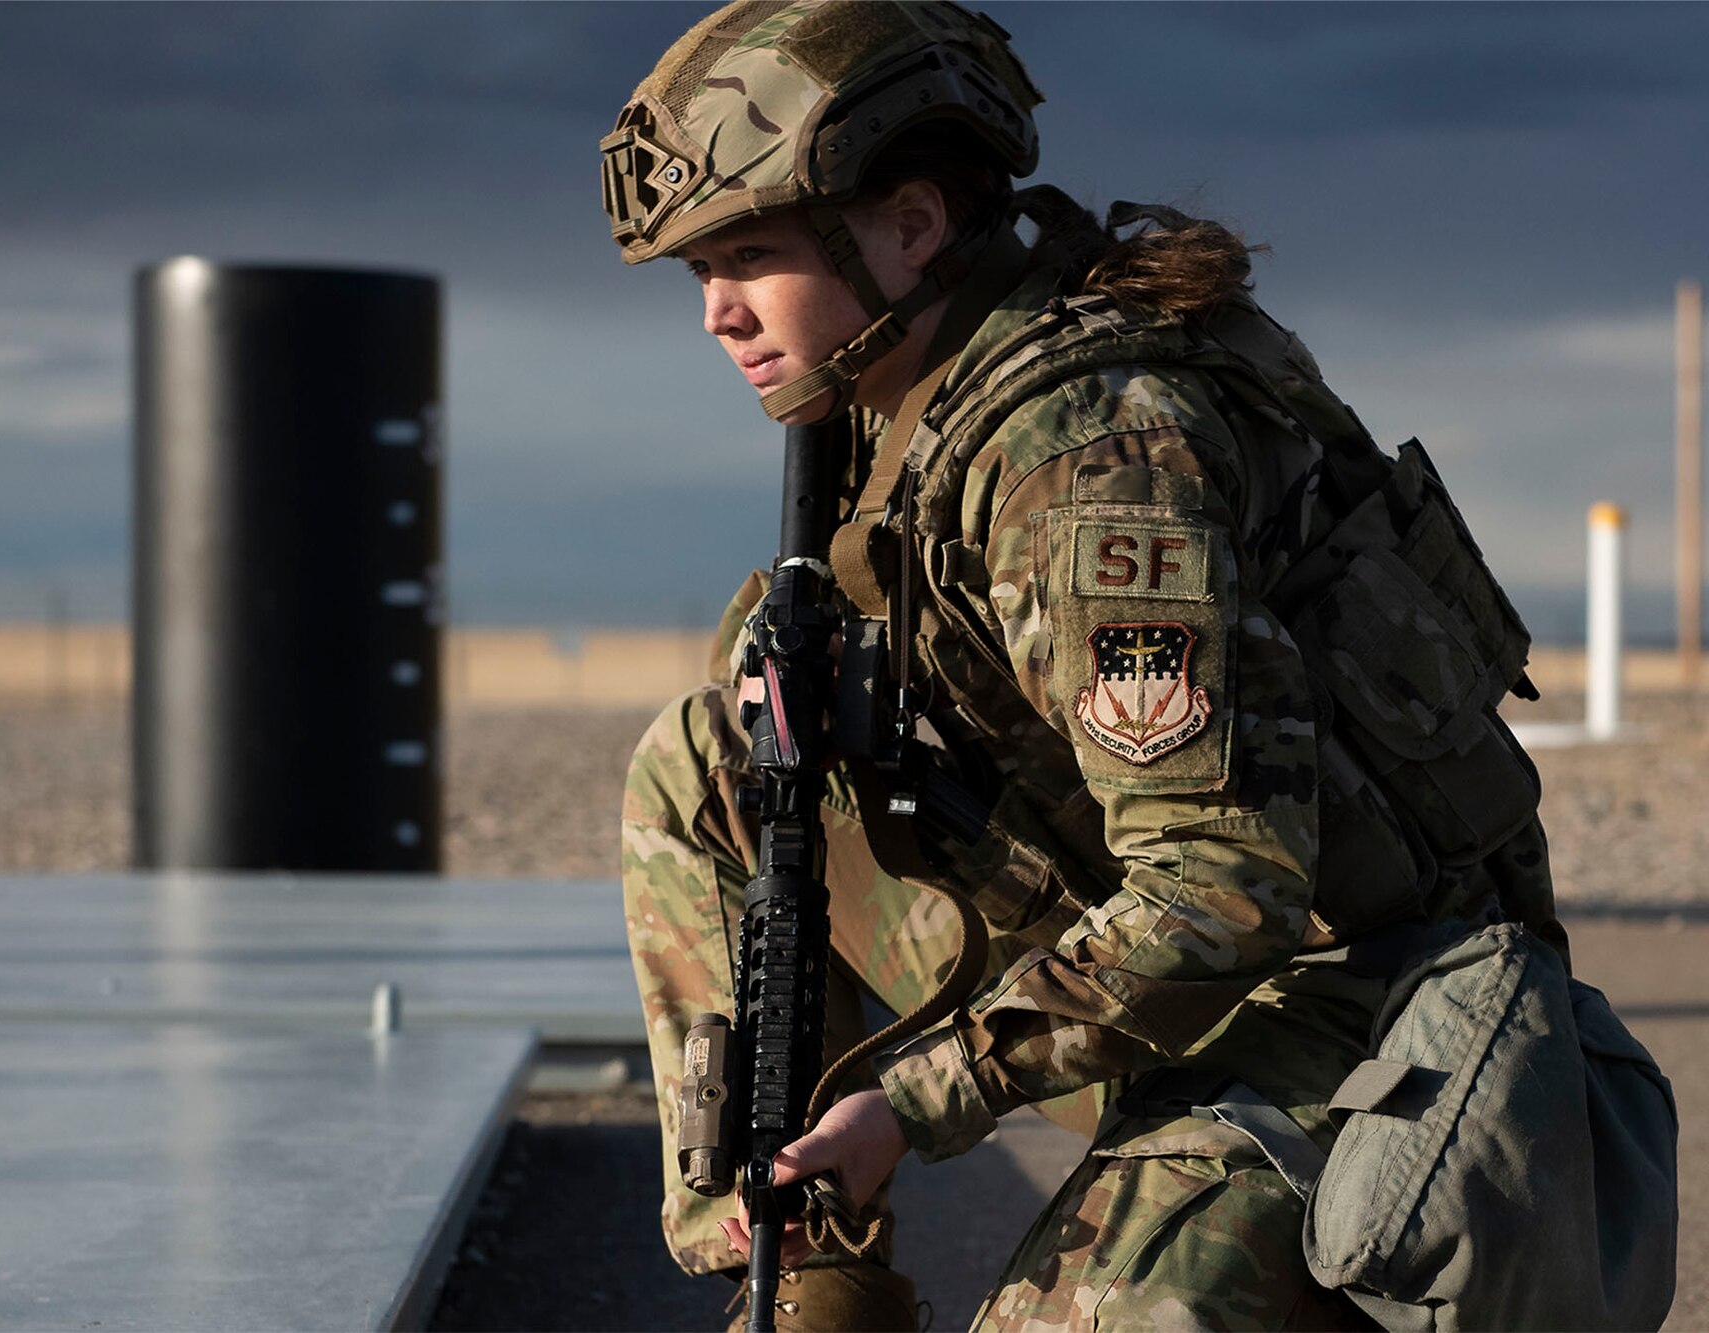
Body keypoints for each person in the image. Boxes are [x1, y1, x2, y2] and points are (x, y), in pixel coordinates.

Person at [605, 3, 1563, 1329]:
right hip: (1170, 945)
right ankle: (808, 1284)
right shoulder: (906, 407)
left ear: (912, 226)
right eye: (697, 271)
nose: (716, 312)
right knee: (715, 759)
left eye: (749, 257)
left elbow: (1223, 890)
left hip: (1366, 1014)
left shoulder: (1085, 464)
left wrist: (921, 1097)